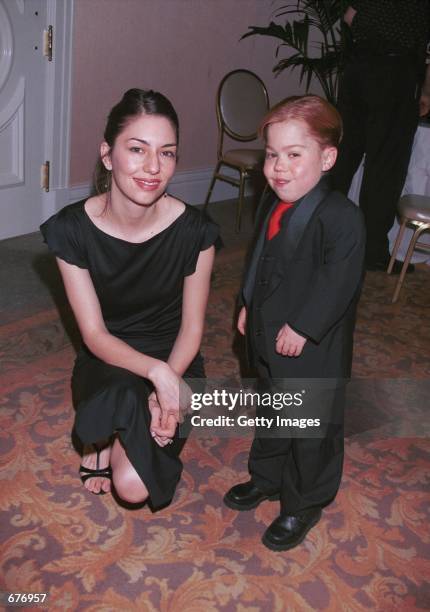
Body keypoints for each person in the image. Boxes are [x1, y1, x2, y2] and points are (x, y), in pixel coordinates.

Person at [40, 89, 219, 508]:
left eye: (167, 153)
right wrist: (154, 374)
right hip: (110, 359)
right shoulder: (72, 230)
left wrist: (168, 382)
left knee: (134, 488)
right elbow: (95, 335)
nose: (153, 167)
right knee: (119, 397)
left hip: (175, 356)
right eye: (137, 149)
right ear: (108, 154)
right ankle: (113, 422)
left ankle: (113, 432)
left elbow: (193, 327)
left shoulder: (197, 232)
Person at [223, 95, 365, 551]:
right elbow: (258, 260)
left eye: (293, 155)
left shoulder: (343, 218)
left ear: (327, 158)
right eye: (271, 155)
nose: (278, 168)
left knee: (309, 431)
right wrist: (247, 303)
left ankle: (304, 502)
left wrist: (304, 327)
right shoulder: (273, 201)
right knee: (273, 413)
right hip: (268, 336)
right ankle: (265, 477)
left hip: (312, 351)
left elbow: (337, 281)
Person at [331, 1, 430, 272]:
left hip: (359, 68)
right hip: (395, 71)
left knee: (343, 155)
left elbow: (350, 16)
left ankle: (321, 234)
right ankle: (372, 250)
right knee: (385, 166)